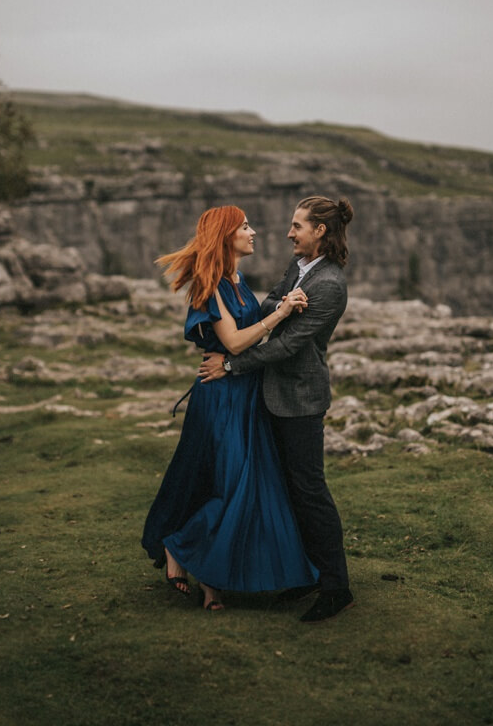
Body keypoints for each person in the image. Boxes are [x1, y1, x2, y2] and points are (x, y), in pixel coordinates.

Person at [141, 205, 318, 611]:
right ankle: (180, 546)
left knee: (242, 485)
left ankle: (211, 582)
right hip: (220, 397)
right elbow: (236, 343)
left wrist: (282, 307)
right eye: (244, 227)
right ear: (226, 236)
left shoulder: (238, 281)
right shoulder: (213, 286)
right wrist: (282, 313)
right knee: (229, 484)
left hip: (244, 392)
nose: (253, 232)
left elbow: (243, 343)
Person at [198, 195, 355, 623]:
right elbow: (271, 301)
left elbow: (287, 346)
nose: (289, 233)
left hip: (300, 401)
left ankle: (336, 586)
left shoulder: (328, 285)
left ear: (320, 231)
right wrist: (277, 307)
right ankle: (305, 573)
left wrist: (230, 364)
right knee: (284, 490)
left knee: (309, 491)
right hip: (271, 396)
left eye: (297, 226)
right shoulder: (301, 268)